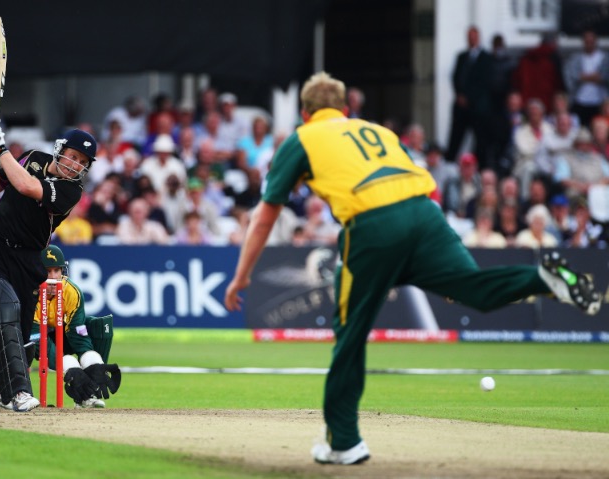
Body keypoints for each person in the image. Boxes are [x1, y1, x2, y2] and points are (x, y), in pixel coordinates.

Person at [223, 71, 602, 466]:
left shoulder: (303, 137)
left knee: (350, 334)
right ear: (346, 109)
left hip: (373, 224)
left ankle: (344, 442)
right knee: (473, 288)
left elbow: (264, 216)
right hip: (425, 215)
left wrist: (241, 276)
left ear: (305, 113)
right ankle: (542, 278)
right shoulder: (378, 131)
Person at [0, 122, 119, 412]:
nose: (75, 165)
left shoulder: (71, 191)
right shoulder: (33, 157)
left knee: (24, 340)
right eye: (73, 156)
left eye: (83, 162)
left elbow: (27, 186)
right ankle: (18, 393)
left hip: (28, 259)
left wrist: (0, 151)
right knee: (3, 305)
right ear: (60, 150)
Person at [30, 245, 119, 408]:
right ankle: (10, 391)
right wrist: (70, 366)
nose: (53, 277)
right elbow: (36, 335)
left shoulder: (71, 292)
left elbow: (77, 331)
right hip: (33, 336)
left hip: (59, 332)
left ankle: (87, 392)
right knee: (21, 341)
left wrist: (92, 362)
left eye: (56, 271)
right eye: (47, 271)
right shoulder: (30, 292)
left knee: (98, 327)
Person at [446, 25, 494, 168]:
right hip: (461, 108)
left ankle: (481, 169)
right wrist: (460, 95)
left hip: (477, 108)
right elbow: (455, 77)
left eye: (474, 36)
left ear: (478, 38)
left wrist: (470, 98)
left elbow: (485, 82)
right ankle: (449, 165)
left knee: (480, 141)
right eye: (469, 37)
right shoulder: (461, 57)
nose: (472, 39)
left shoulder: (486, 58)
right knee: (455, 139)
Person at [564, 29, 609, 127]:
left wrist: (584, 77)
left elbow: (604, 77)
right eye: (587, 41)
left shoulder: (604, 58)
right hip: (580, 100)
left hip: (600, 101)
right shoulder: (575, 59)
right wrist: (594, 77)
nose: (589, 44)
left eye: (591, 41)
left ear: (596, 41)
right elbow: (572, 76)